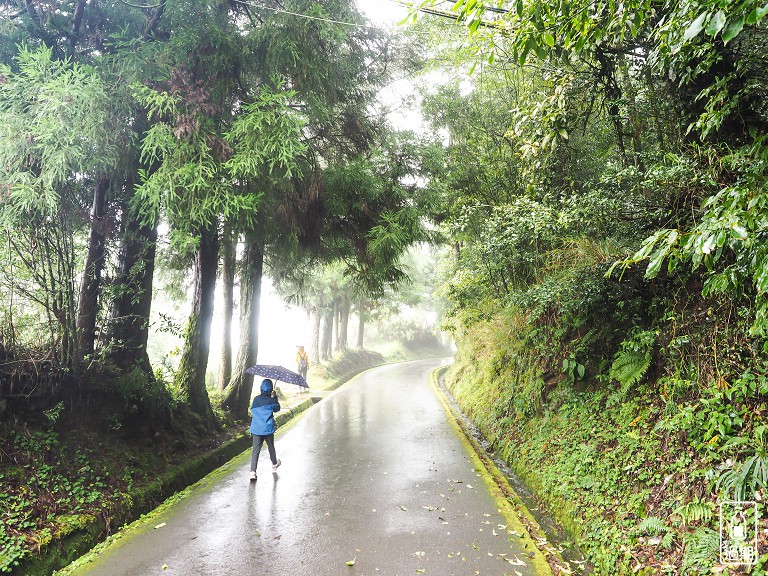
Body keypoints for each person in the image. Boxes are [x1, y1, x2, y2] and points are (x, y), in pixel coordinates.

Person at [249, 379, 281, 481]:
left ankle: (253, 472)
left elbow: (252, 410)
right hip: (267, 429)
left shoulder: (256, 400)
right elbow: (277, 408)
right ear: (271, 389)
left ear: (261, 388)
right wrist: (274, 397)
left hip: (256, 428)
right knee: (271, 446)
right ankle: (274, 464)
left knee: (255, 451)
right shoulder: (271, 401)